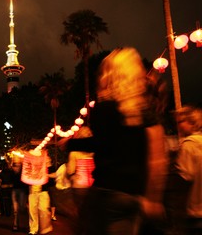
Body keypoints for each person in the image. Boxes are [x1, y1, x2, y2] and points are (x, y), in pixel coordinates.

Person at [66, 48, 169, 235]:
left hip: (105, 193)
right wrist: (153, 199)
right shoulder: (147, 113)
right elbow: (157, 160)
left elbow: (100, 144)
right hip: (133, 197)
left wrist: (71, 144)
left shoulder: (105, 109)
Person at [171, 106, 202, 234]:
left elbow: (184, 178)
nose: (178, 126)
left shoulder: (189, 145)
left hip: (196, 211)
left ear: (192, 122)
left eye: (180, 122)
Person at [10, 161, 28, 232]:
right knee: (15, 210)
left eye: (18, 166)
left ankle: (26, 223)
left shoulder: (23, 173)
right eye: (15, 166)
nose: (16, 167)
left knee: (22, 208)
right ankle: (15, 225)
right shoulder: (12, 173)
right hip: (14, 191)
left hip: (22, 191)